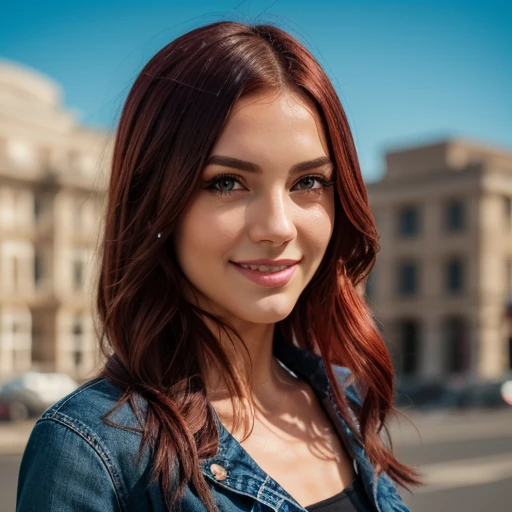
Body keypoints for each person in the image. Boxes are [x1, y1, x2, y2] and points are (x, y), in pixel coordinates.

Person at [17, 20, 420, 512]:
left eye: (309, 181)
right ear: (156, 203)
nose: (278, 226)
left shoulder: (344, 400)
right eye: (227, 182)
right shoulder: (92, 451)